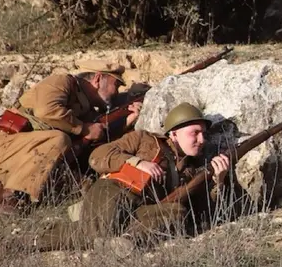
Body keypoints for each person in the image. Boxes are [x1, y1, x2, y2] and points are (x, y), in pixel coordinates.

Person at [32, 103, 230, 250]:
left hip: (140, 212)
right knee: (100, 233)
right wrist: (137, 163)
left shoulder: (193, 170)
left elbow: (203, 218)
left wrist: (218, 182)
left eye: (204, 134)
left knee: (177, 213)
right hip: (113, 192)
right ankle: (38, 240)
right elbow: (97, 157)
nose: (201, 139)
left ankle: (127, 242)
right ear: (174, 134)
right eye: (194, 133)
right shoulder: (143, 139)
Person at [0, 59, 137, 207]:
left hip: (25, 154)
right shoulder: (61, 82)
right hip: (6, 149)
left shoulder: (85, 108)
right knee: (60, 139)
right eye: (115, 85)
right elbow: (47, 111)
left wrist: (128, 120)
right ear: (98, 78)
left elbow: (99, 137)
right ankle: (9, 195)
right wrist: (86, 129)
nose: (117, 92)